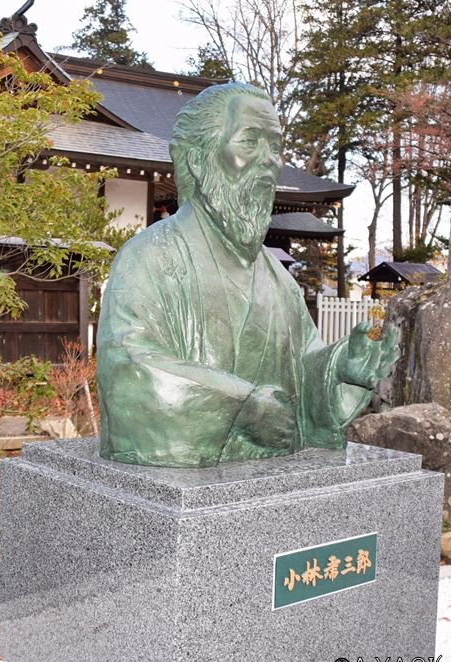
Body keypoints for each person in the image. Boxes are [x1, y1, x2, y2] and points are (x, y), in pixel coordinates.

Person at [96, 83, 399, 467]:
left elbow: (301, 366)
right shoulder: (149, 258)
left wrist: (338, 368)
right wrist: (240, 405)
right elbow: (128, 364)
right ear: (196, 159)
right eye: (250, 141)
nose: (269, 160)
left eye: (275, 145)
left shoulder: (278, 278)